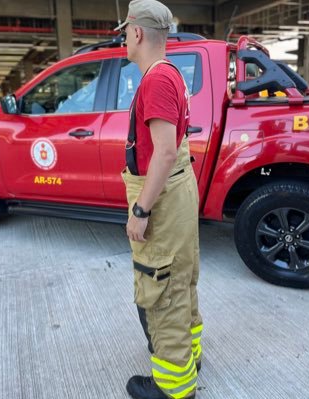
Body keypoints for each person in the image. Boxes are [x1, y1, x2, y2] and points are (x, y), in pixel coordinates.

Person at [116, 1, 203, 398]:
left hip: (163, 199)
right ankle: (190, 355)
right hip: (180, 189)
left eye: (124, 32)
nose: (123, 39)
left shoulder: (155, 80)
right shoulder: (172, 74)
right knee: (182, 278)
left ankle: (173, 386)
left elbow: (165, 152)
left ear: (136, 33)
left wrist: (140, 210)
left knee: (161, 287)